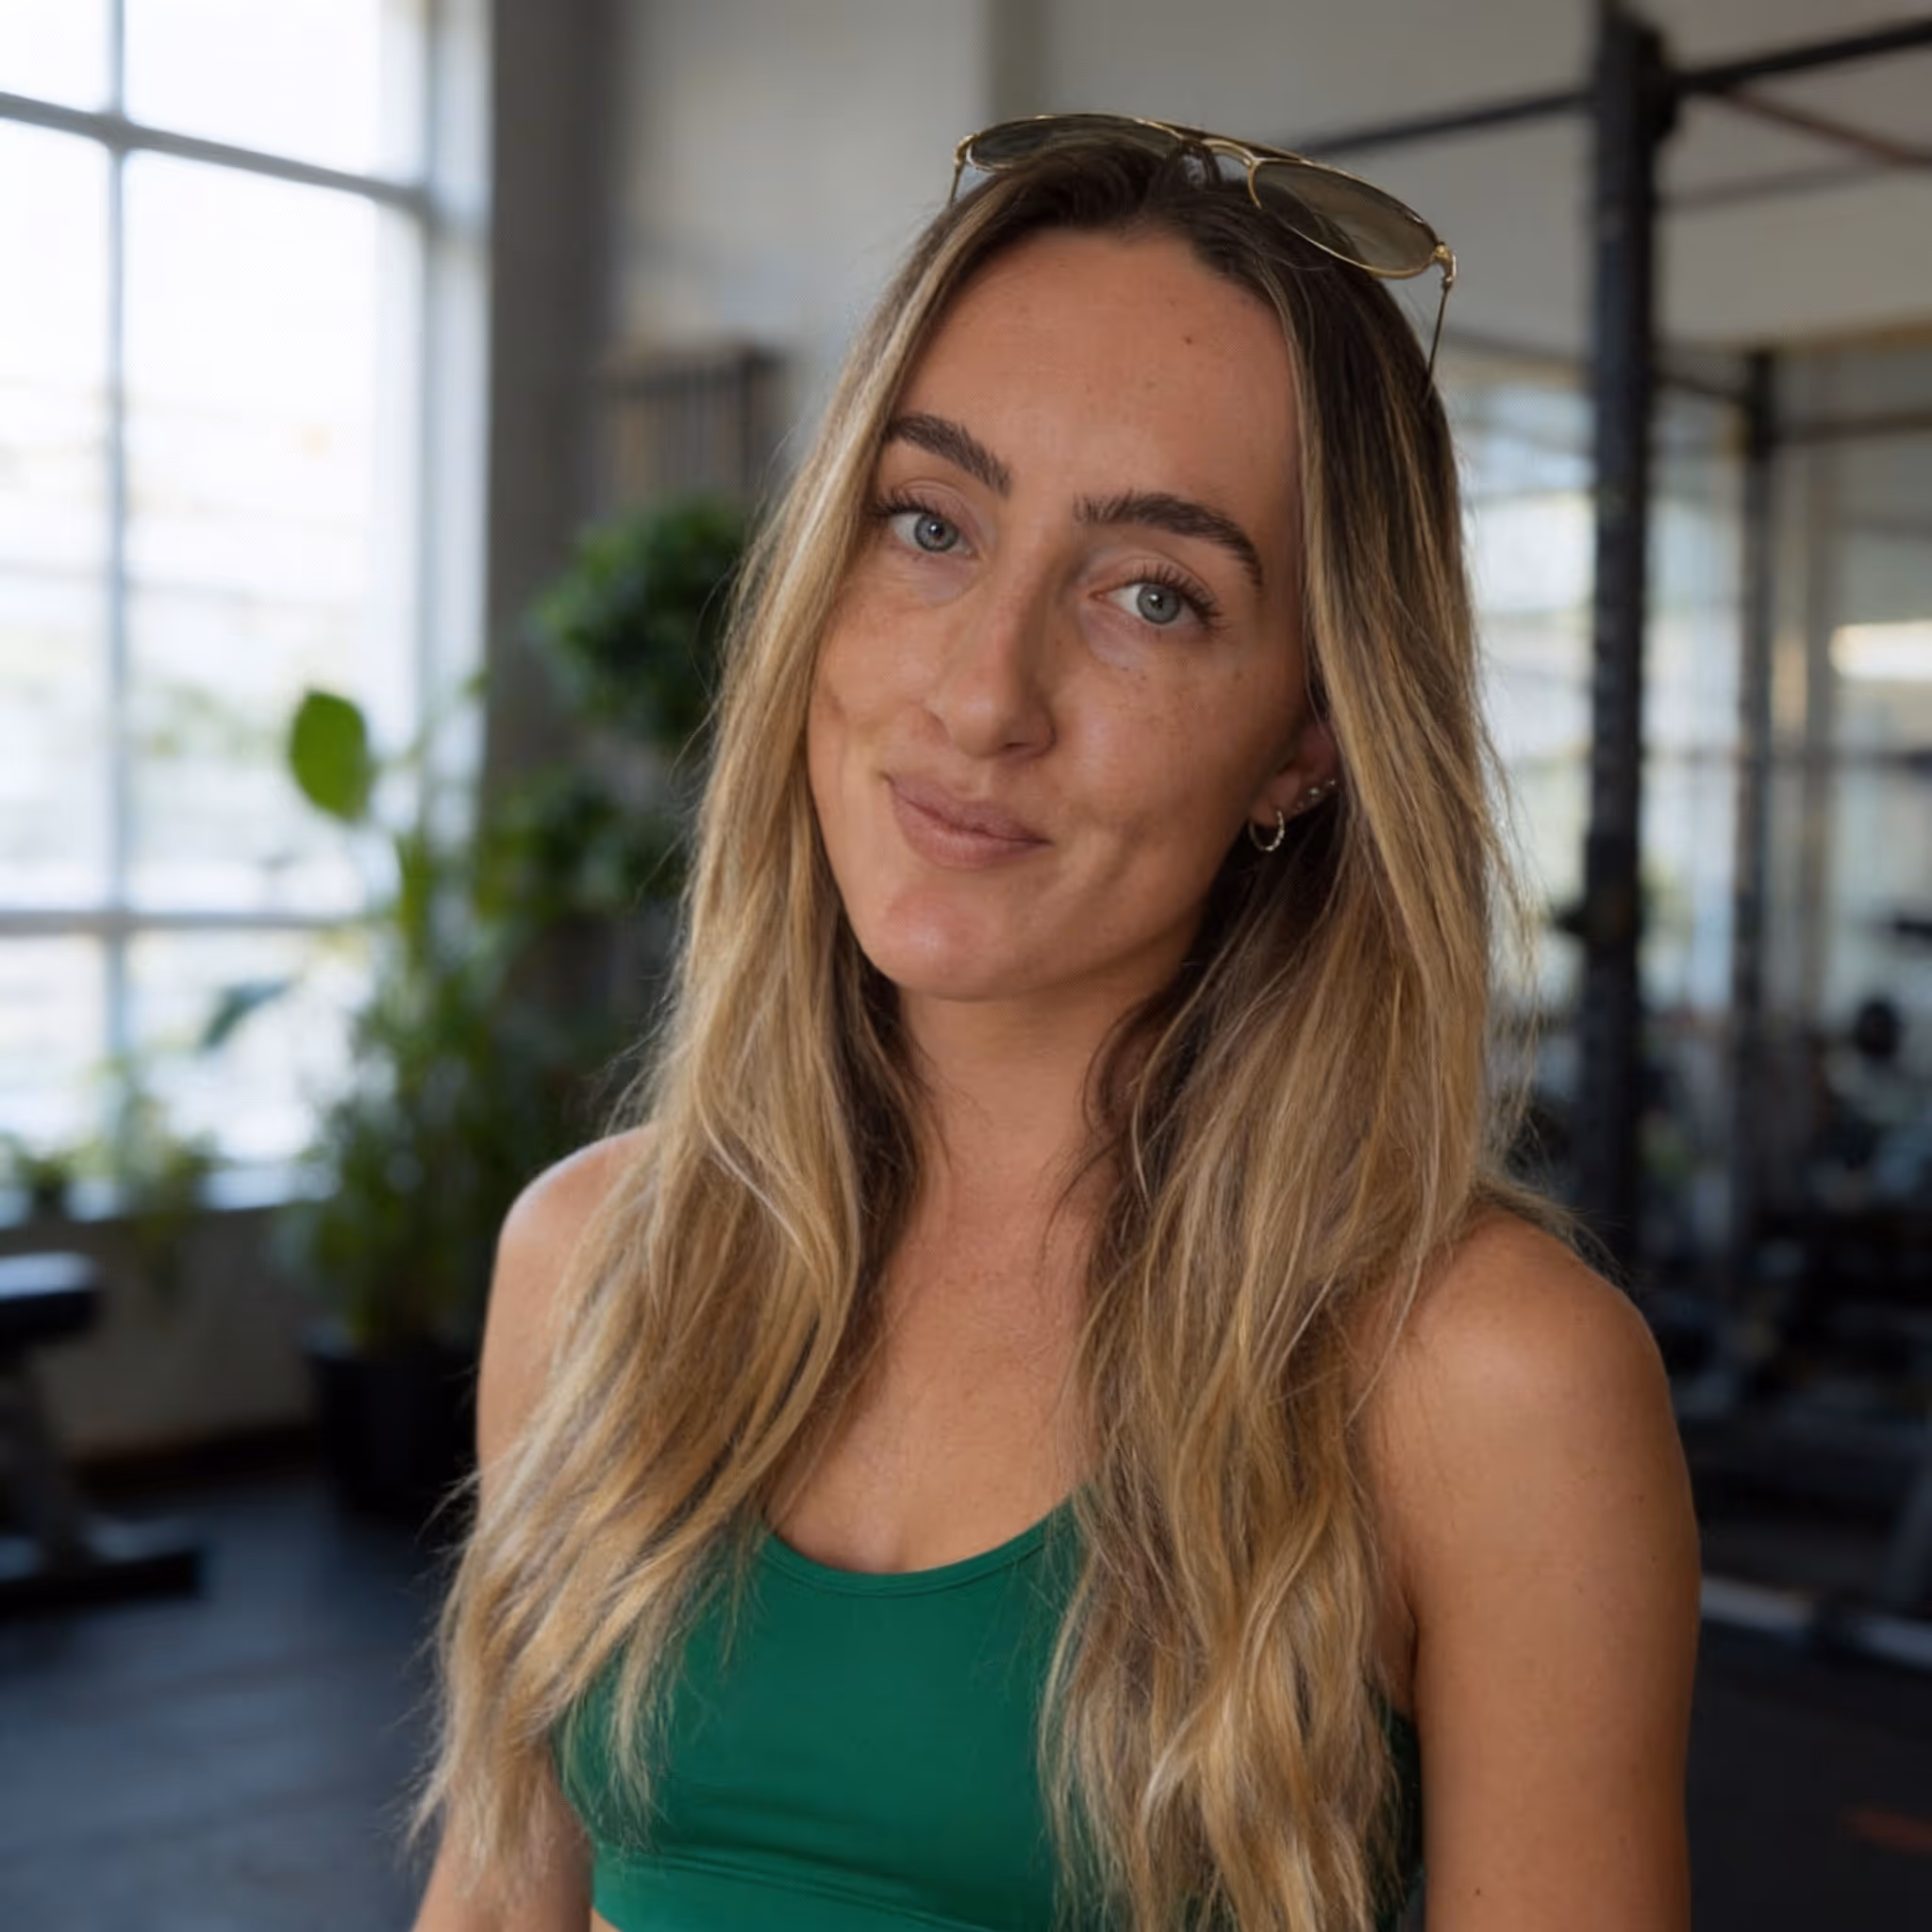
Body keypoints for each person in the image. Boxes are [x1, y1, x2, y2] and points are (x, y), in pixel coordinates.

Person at [409, 115, 1702, 1932]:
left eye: (1154, 596)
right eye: (928, 524)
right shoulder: (594, 1257)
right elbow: (496, 1904)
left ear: (1307, 742)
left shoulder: (1482, 1381)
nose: (982, 690)